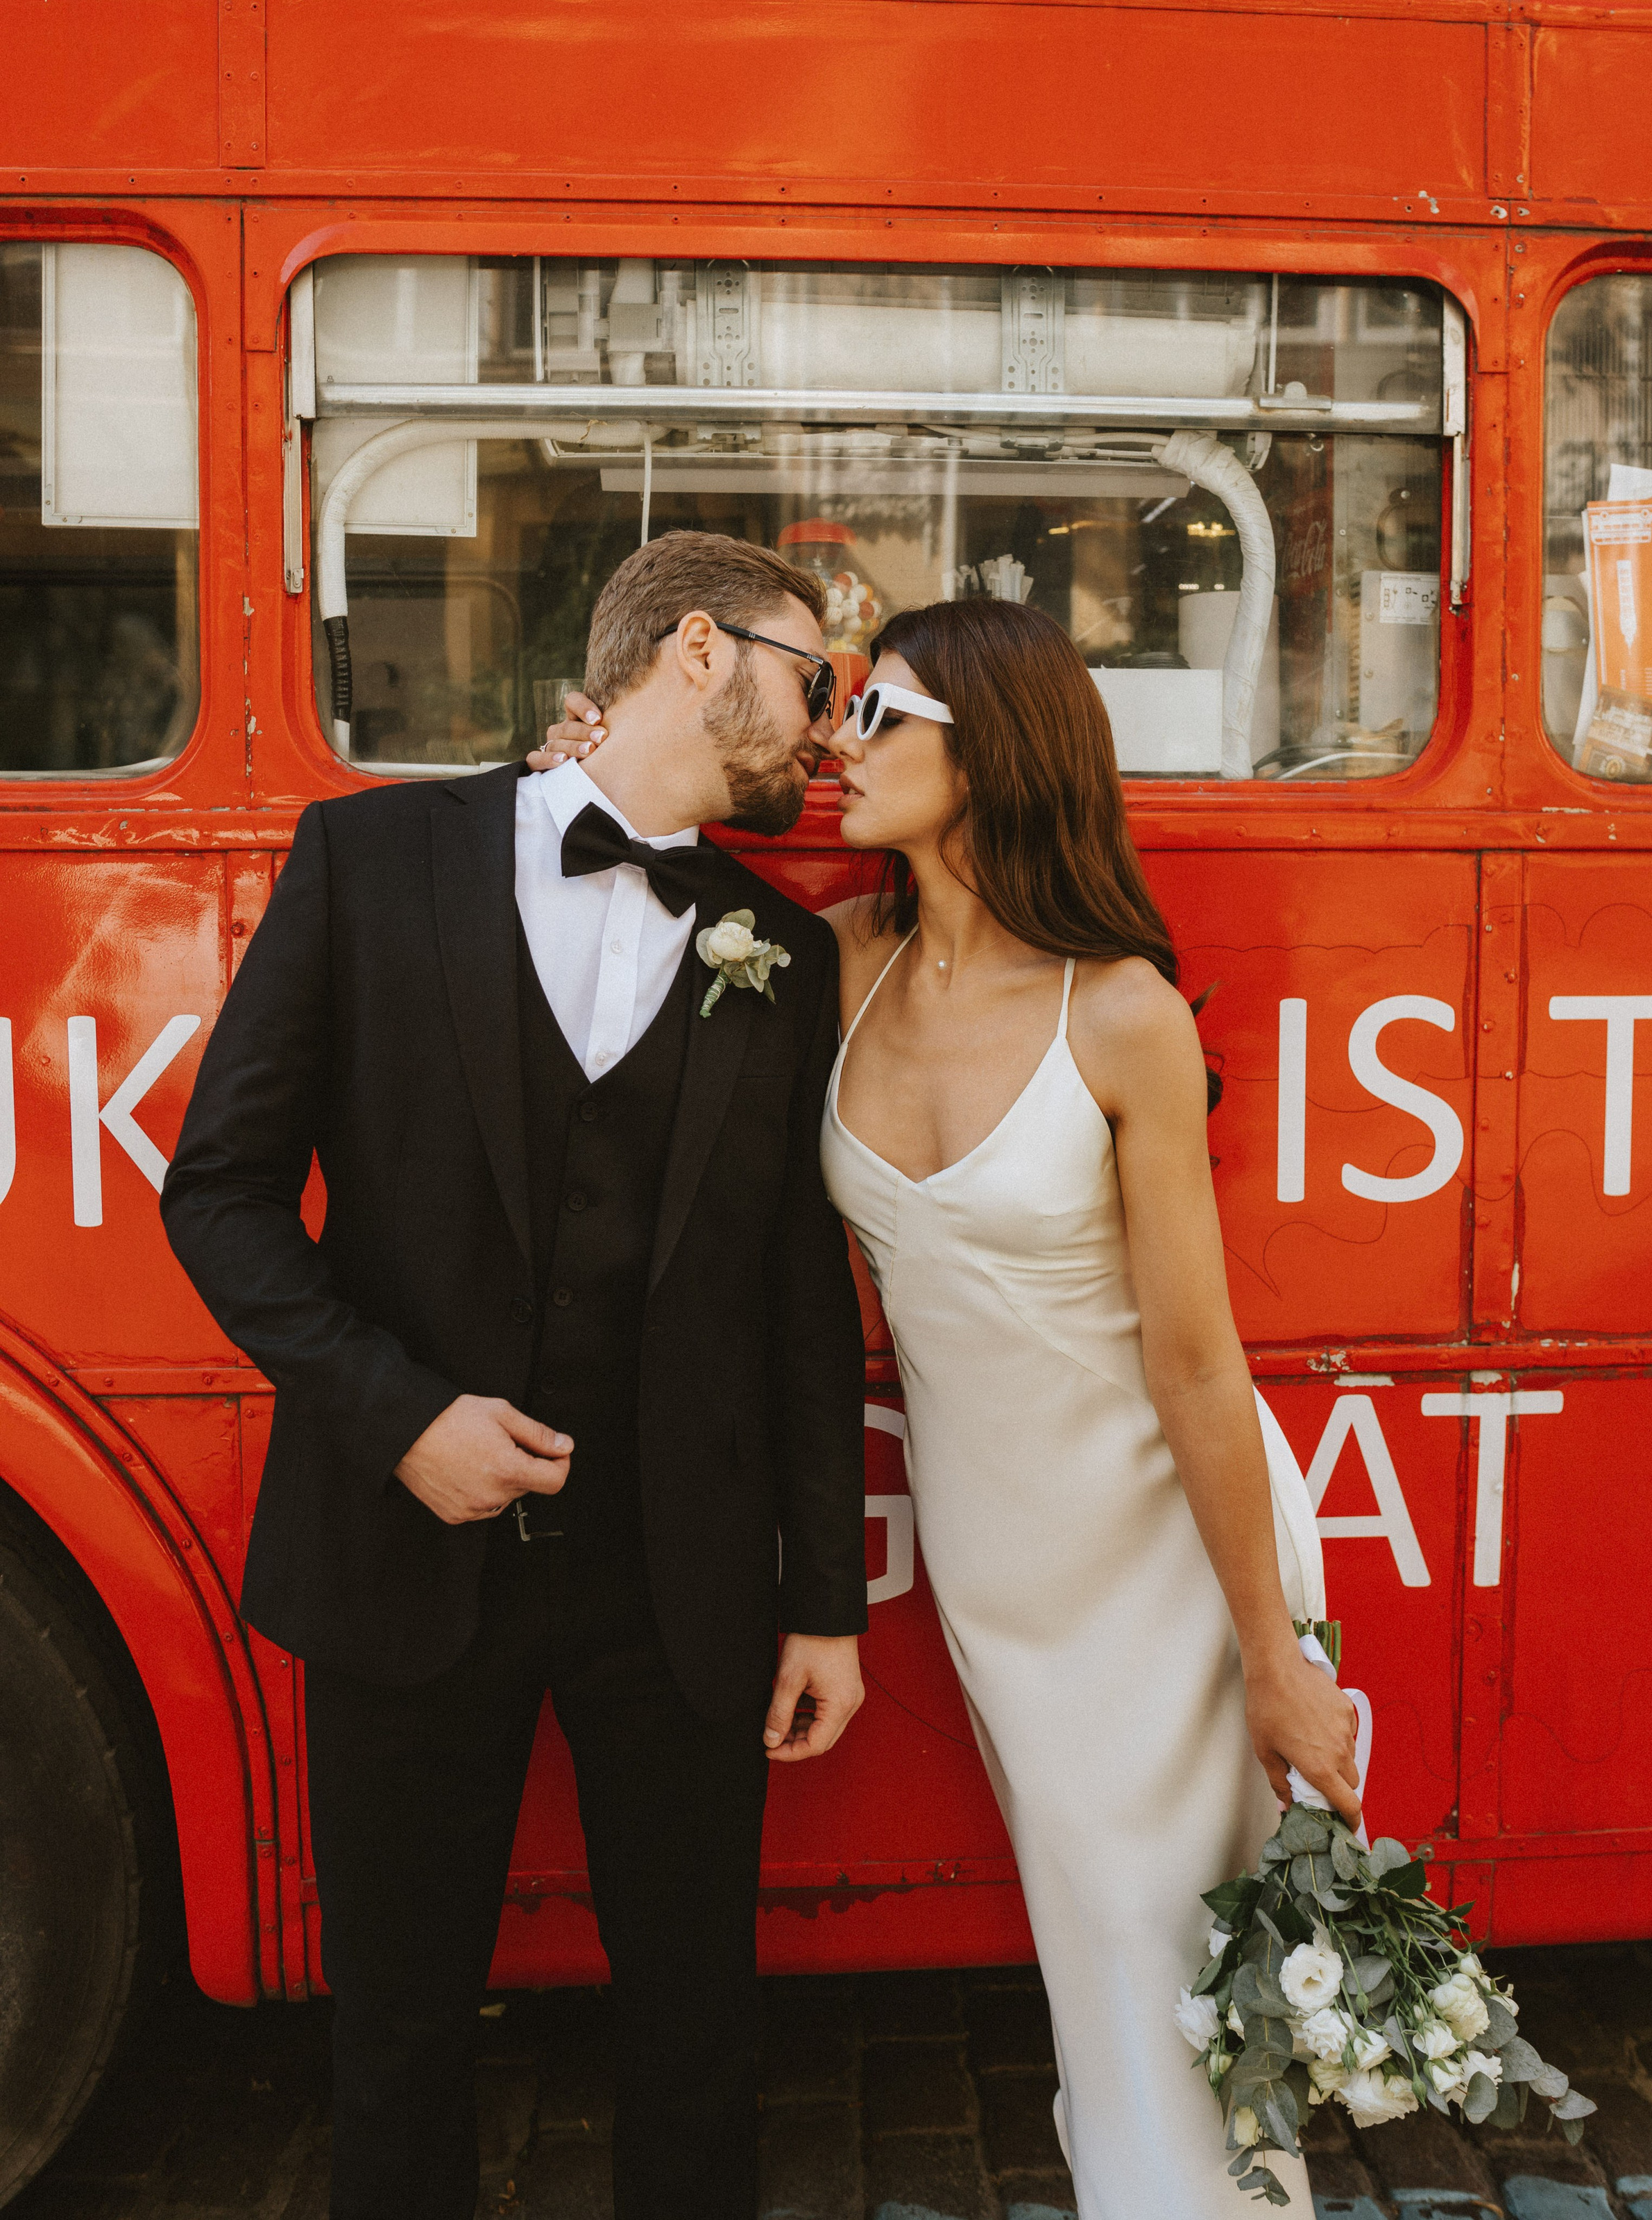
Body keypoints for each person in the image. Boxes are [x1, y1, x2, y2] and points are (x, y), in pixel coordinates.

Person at [543, 594, 1361, 2219]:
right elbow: (652, 879)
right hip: (1001, 1566)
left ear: (984, 750)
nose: (842, 748)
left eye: (880, 718)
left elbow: (1196, 1363)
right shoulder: (832, 960)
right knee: (1097, 1960)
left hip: (1164, 1555)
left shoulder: (1119, 1010)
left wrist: (1273, 1658)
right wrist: (574, 766)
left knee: (1166, 1967)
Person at [160, 531, 869, 2220]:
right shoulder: (367, 860)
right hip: (404, 1556)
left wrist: (823, 1598)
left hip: (678, 1576)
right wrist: (401, 1416)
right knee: (396, 2031)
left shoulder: (785, 953)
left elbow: (797, 1303)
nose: (830, 731)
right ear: (697, 650)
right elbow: (224, 1192)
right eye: (814, 679)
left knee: (697, 2026)